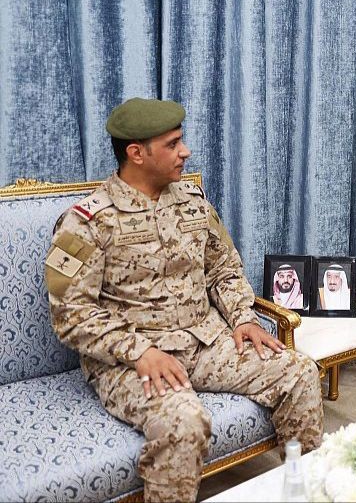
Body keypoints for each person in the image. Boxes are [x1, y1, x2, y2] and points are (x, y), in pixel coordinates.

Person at [45, 98, 323, 502]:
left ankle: (306, 490)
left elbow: (223, 269)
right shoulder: (86, 222)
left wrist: (243, 317)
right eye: (173, 144)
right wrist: (139, 351)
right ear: (136, 153)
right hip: (132, 361)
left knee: (299, 371)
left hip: (205, 342)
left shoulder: (193, 203)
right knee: (185, 422)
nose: (185, 151)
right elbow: (71, 314)